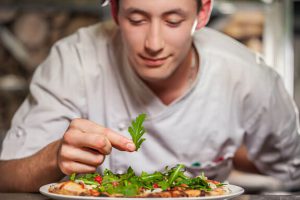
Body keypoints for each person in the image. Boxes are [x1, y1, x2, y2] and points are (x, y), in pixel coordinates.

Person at [0, 0, 300, 192]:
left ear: (203, 12)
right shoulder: (75, 60)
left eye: (173, 21)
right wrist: (53, 158)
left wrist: (222, 147)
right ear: (116, 11)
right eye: (137, 19)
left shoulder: (249, 77)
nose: (153, 44)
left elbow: (290, 167)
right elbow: (7, 176)